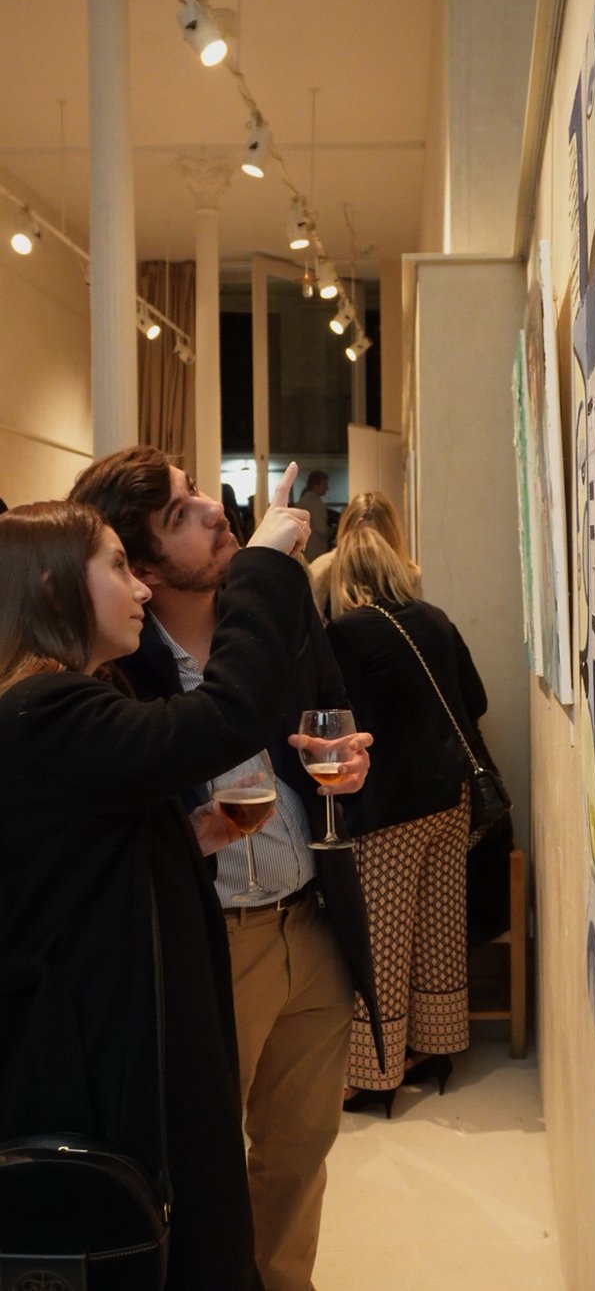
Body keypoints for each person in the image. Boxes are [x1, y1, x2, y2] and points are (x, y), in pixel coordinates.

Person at [68, 445, 383, 1291]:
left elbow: (327, 723)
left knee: (299, 1154)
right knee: (195, 1169)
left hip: (308, 922)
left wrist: (345, 764)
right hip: (210, 942)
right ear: (137, 566)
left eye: (198, 491)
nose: (215, 509)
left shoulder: (281, 620)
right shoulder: (116, 668)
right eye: (181, 513)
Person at [0, 473, 312, 1290]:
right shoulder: (44, 710)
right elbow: (227, 716)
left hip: (122, 1040)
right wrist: (265, 567)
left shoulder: (65, 702)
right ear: (51, 586)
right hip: (101, 1063)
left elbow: (79, 852)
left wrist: (186, 835)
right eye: (116, 567)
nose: (139, 587)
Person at [326, 523, 488, 1114]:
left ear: (346, 578)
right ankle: (438, 1048)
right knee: (439, 925)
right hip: (452, 795)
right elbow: (475, 699)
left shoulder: (346, 633)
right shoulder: (435, 619)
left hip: (392, 807)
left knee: (384, 942)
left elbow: (345, 721)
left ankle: (375, 1073)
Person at [309, 489, 421, 620]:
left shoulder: (411, 576)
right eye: (358, 538)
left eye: (375, 540)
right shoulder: (323, 572)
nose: (365, 547)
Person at [296, 469, 334, 562]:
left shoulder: (301, 502)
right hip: (316, 552)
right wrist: (334, 530)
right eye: (324, 484)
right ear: (316, 485)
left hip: (303, 551)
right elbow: (322, 529)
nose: (327, 488)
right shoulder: (315, 503)